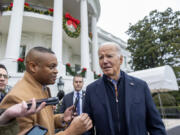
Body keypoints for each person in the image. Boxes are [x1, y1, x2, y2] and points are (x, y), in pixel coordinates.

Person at [0, 47, 92, 135]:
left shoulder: (42, 88)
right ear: (33, 67)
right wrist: (70, 132)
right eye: (52, 67)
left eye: (56, 67)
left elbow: (42, 123)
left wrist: (62, 118)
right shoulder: (18, 98)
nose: (56, 71)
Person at [83, 42, 167, 135]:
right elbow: (86, 129)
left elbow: (156, 127)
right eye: (101, 57)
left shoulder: (140, 86)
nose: (104, 61)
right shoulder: (91, 90)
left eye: (109, 56)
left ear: (121, 60)